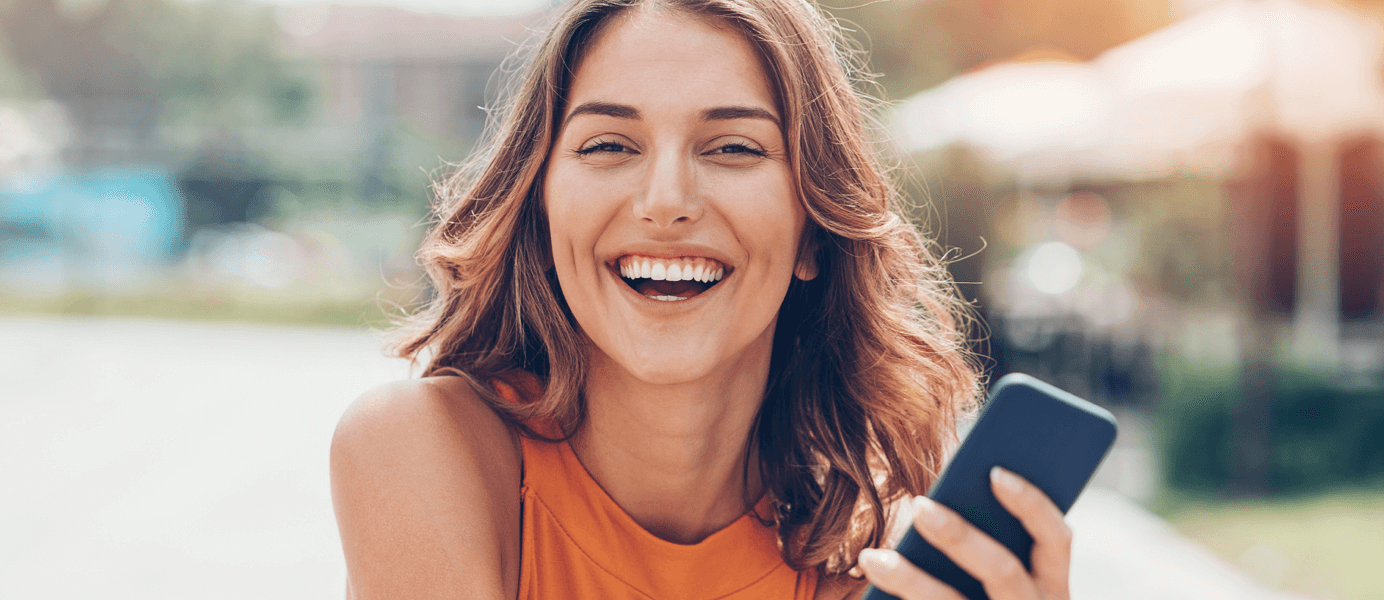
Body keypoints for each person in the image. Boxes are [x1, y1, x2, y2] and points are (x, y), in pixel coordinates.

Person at [331, 1, 1078, 598]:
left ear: (814, 233)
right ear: (542, 210)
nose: (666, 202)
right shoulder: (422, 449)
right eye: (609, 146)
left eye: (733, 149)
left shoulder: (870, 575)